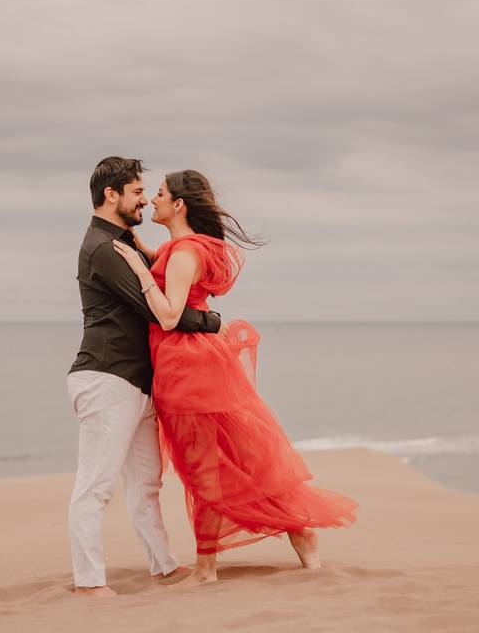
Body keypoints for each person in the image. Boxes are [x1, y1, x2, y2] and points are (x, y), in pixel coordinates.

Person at [112, 169, 358, 586]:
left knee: (205, 467)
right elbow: (178, 277)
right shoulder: (186, 248)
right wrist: (144, 250)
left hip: (185, 368)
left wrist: (136, 270)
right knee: (238, 459)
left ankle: (207, 567)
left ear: (179, 205)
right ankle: (301, 533)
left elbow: (170, 315)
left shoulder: (184, 252)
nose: (152, 200)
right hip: (202, 364)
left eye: (159, 194)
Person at [66, 157, 228, 597]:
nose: (144, 199)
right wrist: (212, 323)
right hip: (106, 378)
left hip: (137, 381)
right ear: (111, 195)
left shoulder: (122, 240)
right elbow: (156, 309)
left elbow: (161, 278)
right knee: (95, 485)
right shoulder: (104, 248)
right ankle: (88, 583)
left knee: (147, 484)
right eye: (137, 192)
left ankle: (163, 566)